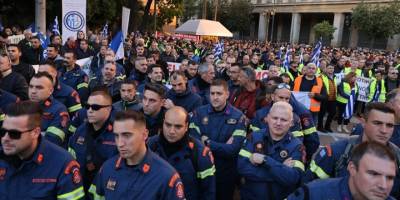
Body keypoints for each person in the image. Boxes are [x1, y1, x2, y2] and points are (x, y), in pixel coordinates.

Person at [304, 102, 400, 198]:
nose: (384, 130)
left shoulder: (397, 156)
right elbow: (309, 187)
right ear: (363, 123)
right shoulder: (336, 151)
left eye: (389, 125)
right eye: (377, 123)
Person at [89, 110, 185, 199]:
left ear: (145, 135)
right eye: (117, 136)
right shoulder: (107, 168)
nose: (120, 143)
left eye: (127, 135)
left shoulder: (166, 176)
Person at [0, 101, 84, 199]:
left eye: (14, 134)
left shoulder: (62, 164)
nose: (5, 138)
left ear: (35, 132)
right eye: (2, 132)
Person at [189, 79, 247, 200]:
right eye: (212, 93)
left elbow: (232, 150)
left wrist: (207, 142)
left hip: (225, 175)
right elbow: (193, 144)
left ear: (227, 94)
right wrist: (221, 146)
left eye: (219, 94)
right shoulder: (199, 113)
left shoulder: (238, 117)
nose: (215, 97)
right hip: (201, 171)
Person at [238, 102, 305, 200]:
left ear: (291, 123)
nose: (278, 123)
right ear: (267, 118)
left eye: (283, 120)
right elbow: (242, 167)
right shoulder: (254, 137)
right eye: (275, 118)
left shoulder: (297, 146)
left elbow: (292, 178)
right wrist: (280, 169)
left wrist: (265, 160)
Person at [148, 106, 216, 200]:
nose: (171, 131)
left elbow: (208, 191)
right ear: (163, 123)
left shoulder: (200, 153)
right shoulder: (149, 146)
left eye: (178, 127)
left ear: (186, 126)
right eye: (168, 125)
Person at [288, 142, 397, 200]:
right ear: (352, 168)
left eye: (390, 177)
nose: (383, 185)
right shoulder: (314, 194)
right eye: (373, 174)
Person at [68, 88, 118, 192]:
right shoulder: (80, 131)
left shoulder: (118, 133)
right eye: (87, 106)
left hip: (105, 190)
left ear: (109, 109)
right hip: (80, 187)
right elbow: (71, 160)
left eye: (95, 107)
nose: (90, 110)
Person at [28, 72, 69, 146]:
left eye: (39, 87)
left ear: (51, 91)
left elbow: (53, 141)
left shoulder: (59, 110)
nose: (33, 91)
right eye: (31, 87)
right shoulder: (22, 107)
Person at [317, 64, 337, 132]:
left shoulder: (335, 77)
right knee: (322, 114)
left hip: (333, 98)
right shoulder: (321, 77)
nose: (331, 69)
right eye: (329, 68)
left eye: (332, 68)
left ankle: (327, 126)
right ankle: (320, 127)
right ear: (326, 69)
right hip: (325, 98)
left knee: (333, 112)